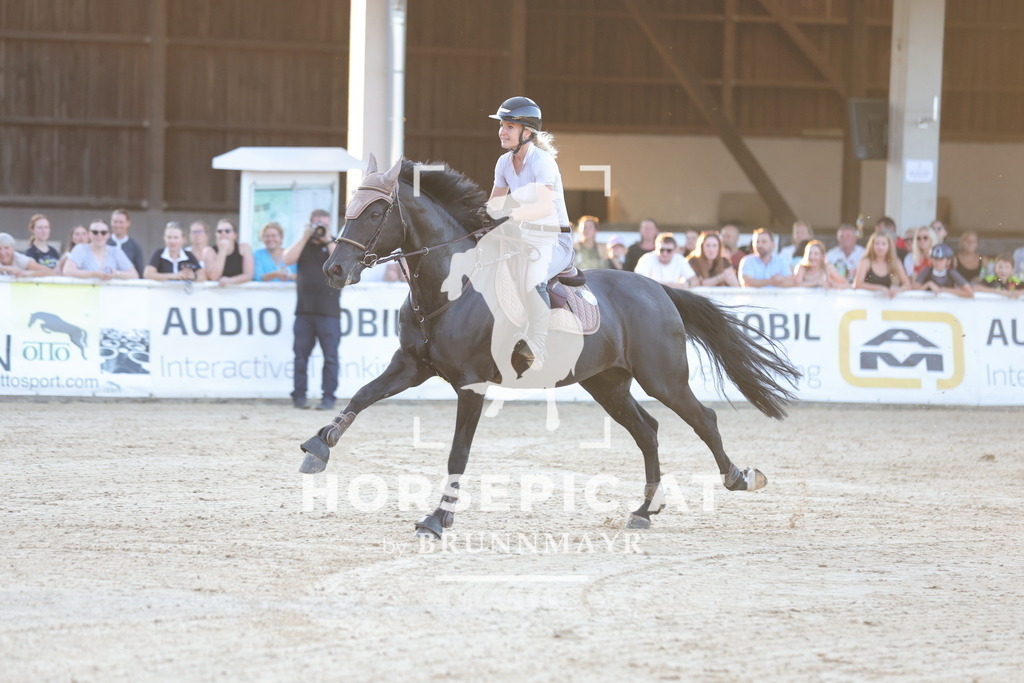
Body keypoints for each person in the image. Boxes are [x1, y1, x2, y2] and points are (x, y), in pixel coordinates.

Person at [486, 96, 574, 371]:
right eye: (502, 124)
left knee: (532, 275)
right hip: (523, 237)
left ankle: (537, 345)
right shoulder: (503, 162)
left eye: (510, 126)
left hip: (554, 238)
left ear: (527, 132)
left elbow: (543, 207)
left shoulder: (543, 162)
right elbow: (493, 205)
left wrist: (509, 215)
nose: (503, 130)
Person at [283, 208, 341, 410]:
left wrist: (326, 240)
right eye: (316, 223)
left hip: (329, 312)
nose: (320, 227)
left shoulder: (336, 243)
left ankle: (328, 398)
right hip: (304, 312)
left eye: (323, 223)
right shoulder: (304, 244)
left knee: (330, 357)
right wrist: (304, 236)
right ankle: (299, 397)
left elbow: (340, 265)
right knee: (300, 356)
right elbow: (287, 259)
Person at [63, 219, 138, 280]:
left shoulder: (116, 251)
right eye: (95, 232)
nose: (99, 235)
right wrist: (95, 274)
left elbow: (134, 275)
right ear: (89, 234)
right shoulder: (80, 249)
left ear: (108, 235)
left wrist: (115, 273)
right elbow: (67, 271)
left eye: (103, 232)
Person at [853, 230, 910, 298]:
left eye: (884, 244)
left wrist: (898, 290)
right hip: (866, 303)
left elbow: (908, 284)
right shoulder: (865, 261)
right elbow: (857, 285)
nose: (880, 247)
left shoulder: (895, 261)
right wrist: (880, 288)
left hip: (886, 305)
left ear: (889, 246)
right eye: (877, 244)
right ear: (872, 245)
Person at [634, 232, 698, 288]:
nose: (665, 253)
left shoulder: (679, 259)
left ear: (675, 250)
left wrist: (686, 284)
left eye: (669, 250)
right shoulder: (646, 258)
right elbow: (639, 281)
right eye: (661, 250)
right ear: (656, 248)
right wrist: (675, 286)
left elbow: (695, 280)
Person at [203, 218, 254, 286]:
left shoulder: (244, 248)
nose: (223, 233)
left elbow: (249, 275)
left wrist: (231, 281)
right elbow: (213, 277)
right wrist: (222, 250)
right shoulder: (209, 251)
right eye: (219, 231)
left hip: (240, 293)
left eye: (227, 231)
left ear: (235, 235)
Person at [108, 208, 145, 278]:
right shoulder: (104, 243)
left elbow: (140, 273)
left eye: (121, 222)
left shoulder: (135, 247)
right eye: (115, 222)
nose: (117, 225)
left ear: (128, 223)